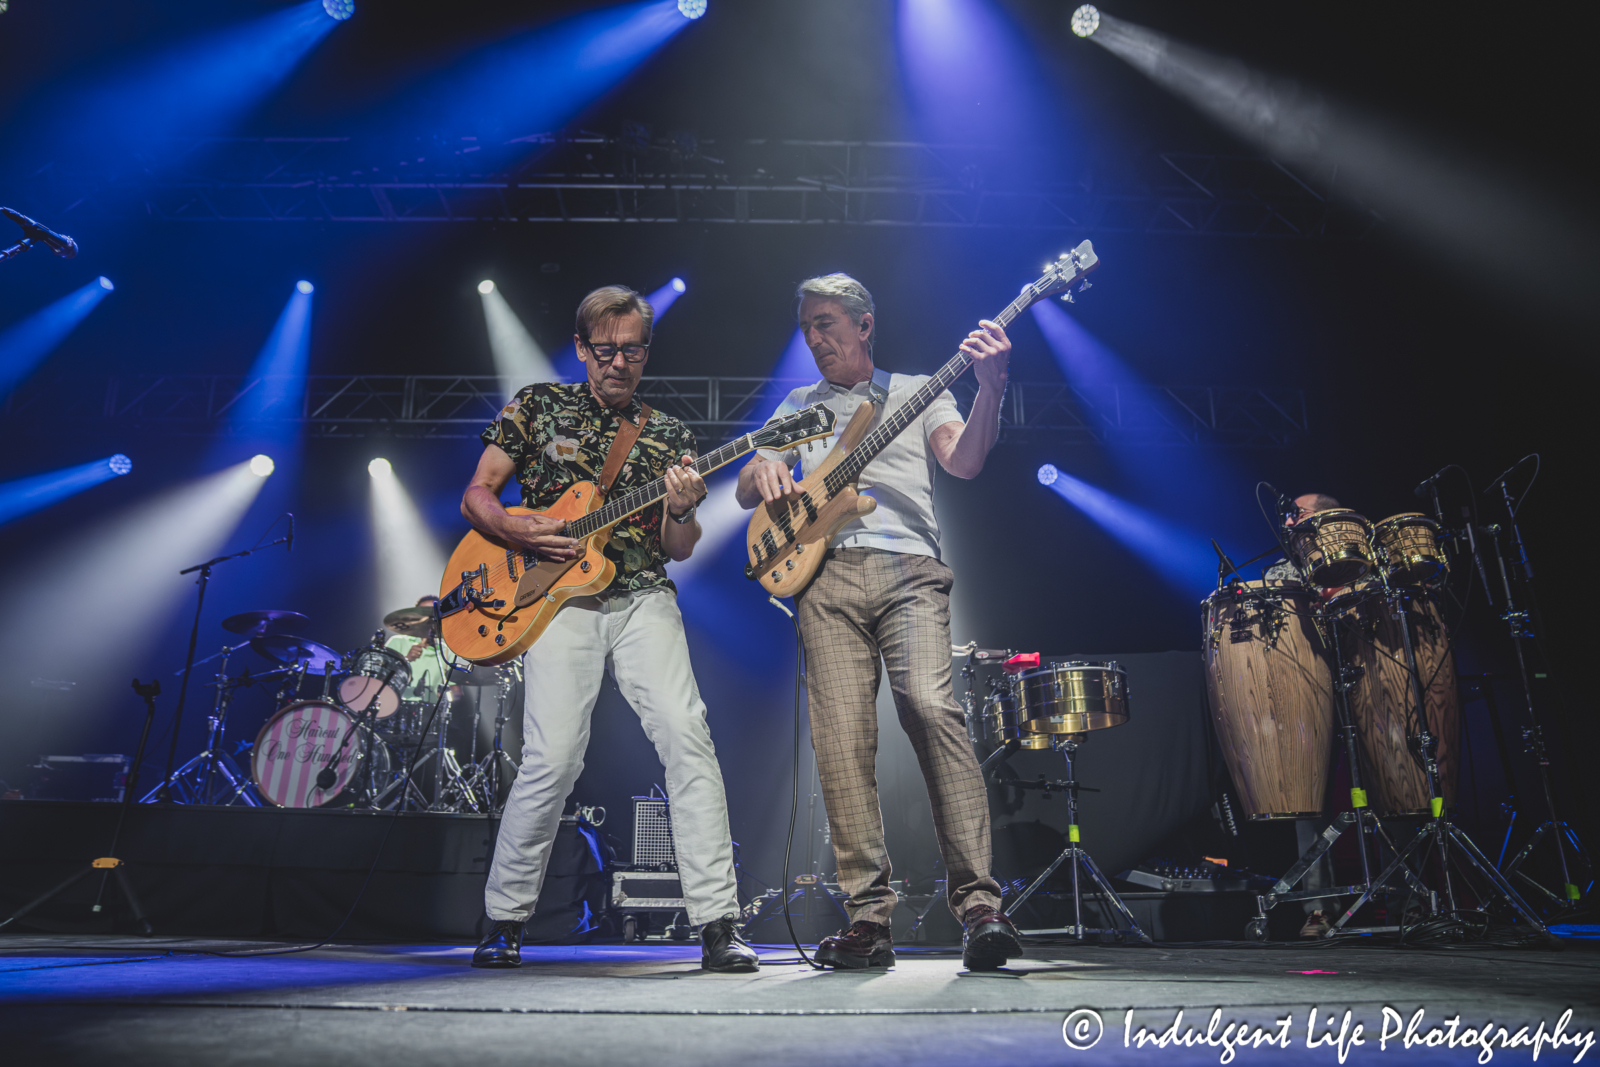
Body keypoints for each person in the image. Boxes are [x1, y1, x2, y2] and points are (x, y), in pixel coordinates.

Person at [462, 284, 757, 973]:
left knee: (688, 735)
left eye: (631, 349)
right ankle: (504, 919)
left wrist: (682, 510)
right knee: (553, 757)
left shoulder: (670, 435)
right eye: (605, 349)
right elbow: (479, 491)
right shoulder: (537, 406)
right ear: (581, 349)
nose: (618, 361)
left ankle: (718, 923)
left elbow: (680, 547)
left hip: (641, 596)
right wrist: (512, 524)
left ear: (646, 352)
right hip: (557, 601)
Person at [734, 273, 1021, 971]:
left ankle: (980, 905)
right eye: (806, 328)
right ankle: (868, 919)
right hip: (823, 576)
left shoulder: (920, 387)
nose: (815, 338)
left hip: (908, 570)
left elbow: (966, 458)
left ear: (864, 325)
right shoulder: (800, 405)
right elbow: (748, 482)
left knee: (930, 707)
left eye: (827, 323)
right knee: (840, 742)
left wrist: (991, 386)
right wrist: (764, 478)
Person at [1266, 491, 1342, 938]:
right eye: (1290, 515)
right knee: (1307, 803)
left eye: (1301, 513)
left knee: (1396, 796)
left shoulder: (1364, 562)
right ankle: (1318, 908)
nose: (1291, 521)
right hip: (1308, 693)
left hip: (1368, 686)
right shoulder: (1280, 573)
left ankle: (1416, 901)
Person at [384, 595, 455, 706]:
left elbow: (454, 689)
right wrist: (406, 660)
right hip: (394, 707)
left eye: (433, 615)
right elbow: (381, 676)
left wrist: (453, 693)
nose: (428, 619)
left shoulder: (447, 651)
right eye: (423, 614)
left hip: (430, 712)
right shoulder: (397, 642)